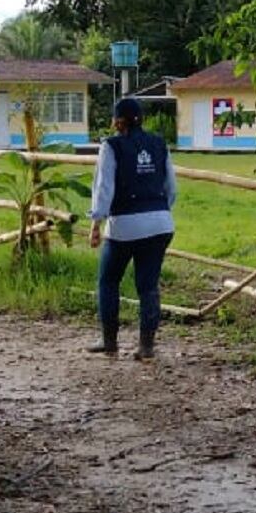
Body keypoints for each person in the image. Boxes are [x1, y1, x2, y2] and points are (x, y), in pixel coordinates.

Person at [87, 97, 177, 361]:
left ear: (117, 121)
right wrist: (158, 210)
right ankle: (146, 346)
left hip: (125, 225)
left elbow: (104, 187)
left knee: (108, 280)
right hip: (161, 223)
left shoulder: (111, 146)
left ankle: (109, 341)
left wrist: (96, 222)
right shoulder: (159, 144)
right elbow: (171, 187)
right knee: (148, 285)